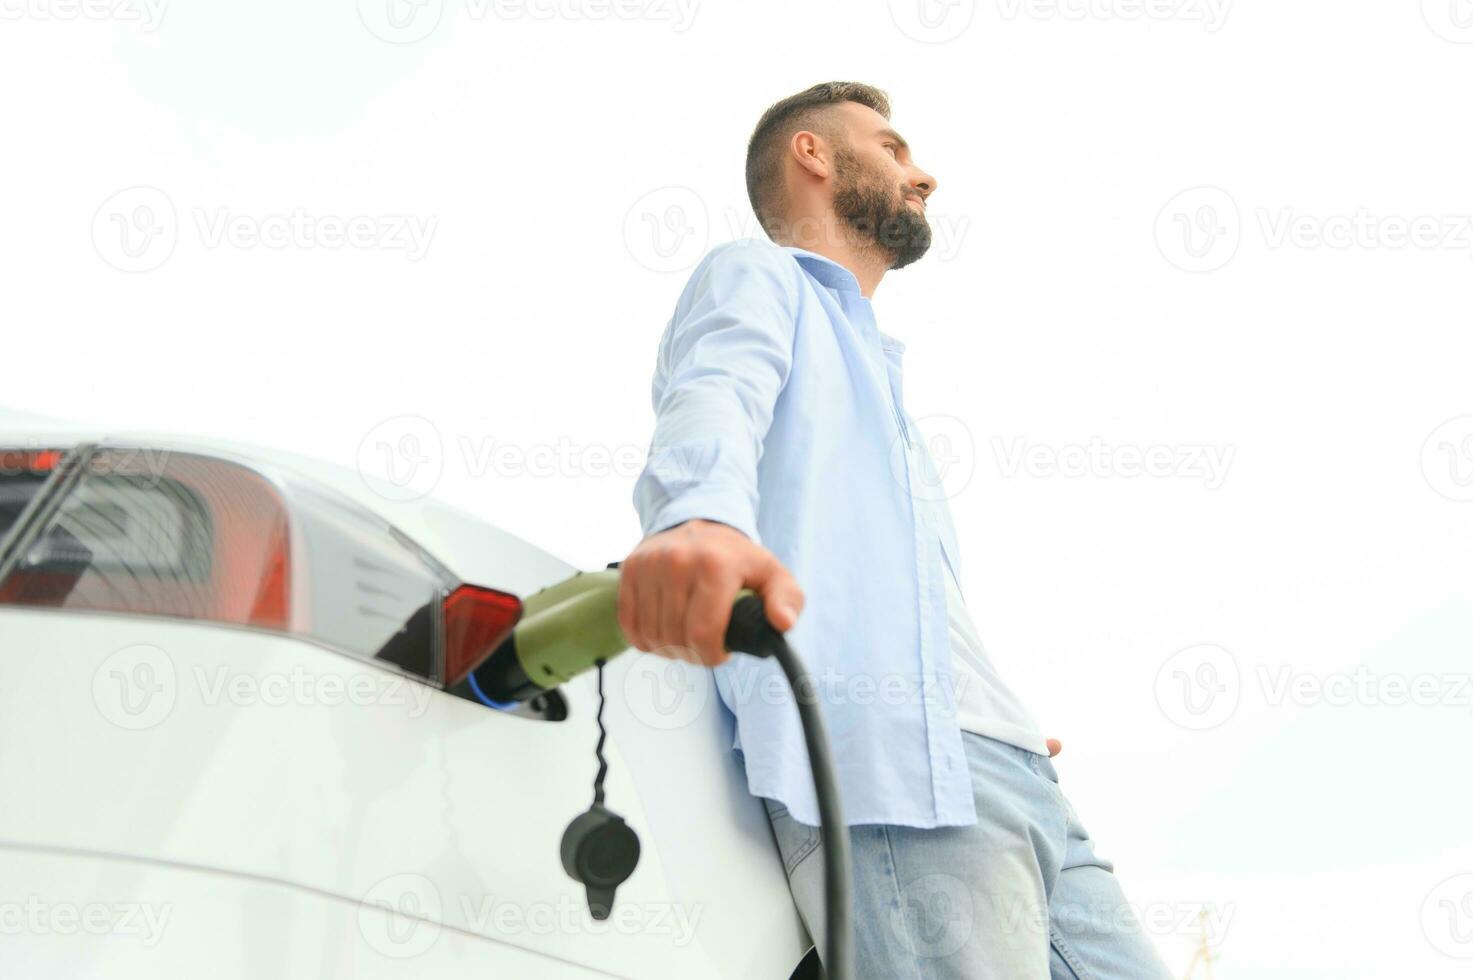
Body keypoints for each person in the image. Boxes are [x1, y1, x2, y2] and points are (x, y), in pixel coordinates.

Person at [618, 81, 1172, 979]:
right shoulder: (759, 276)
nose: (924, 176)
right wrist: (697, 520)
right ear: (813, 154)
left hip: (1004, 763)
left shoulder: (873, 372)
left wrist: (991, 708)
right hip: (890, 774)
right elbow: (713, 390)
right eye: (893, 147)